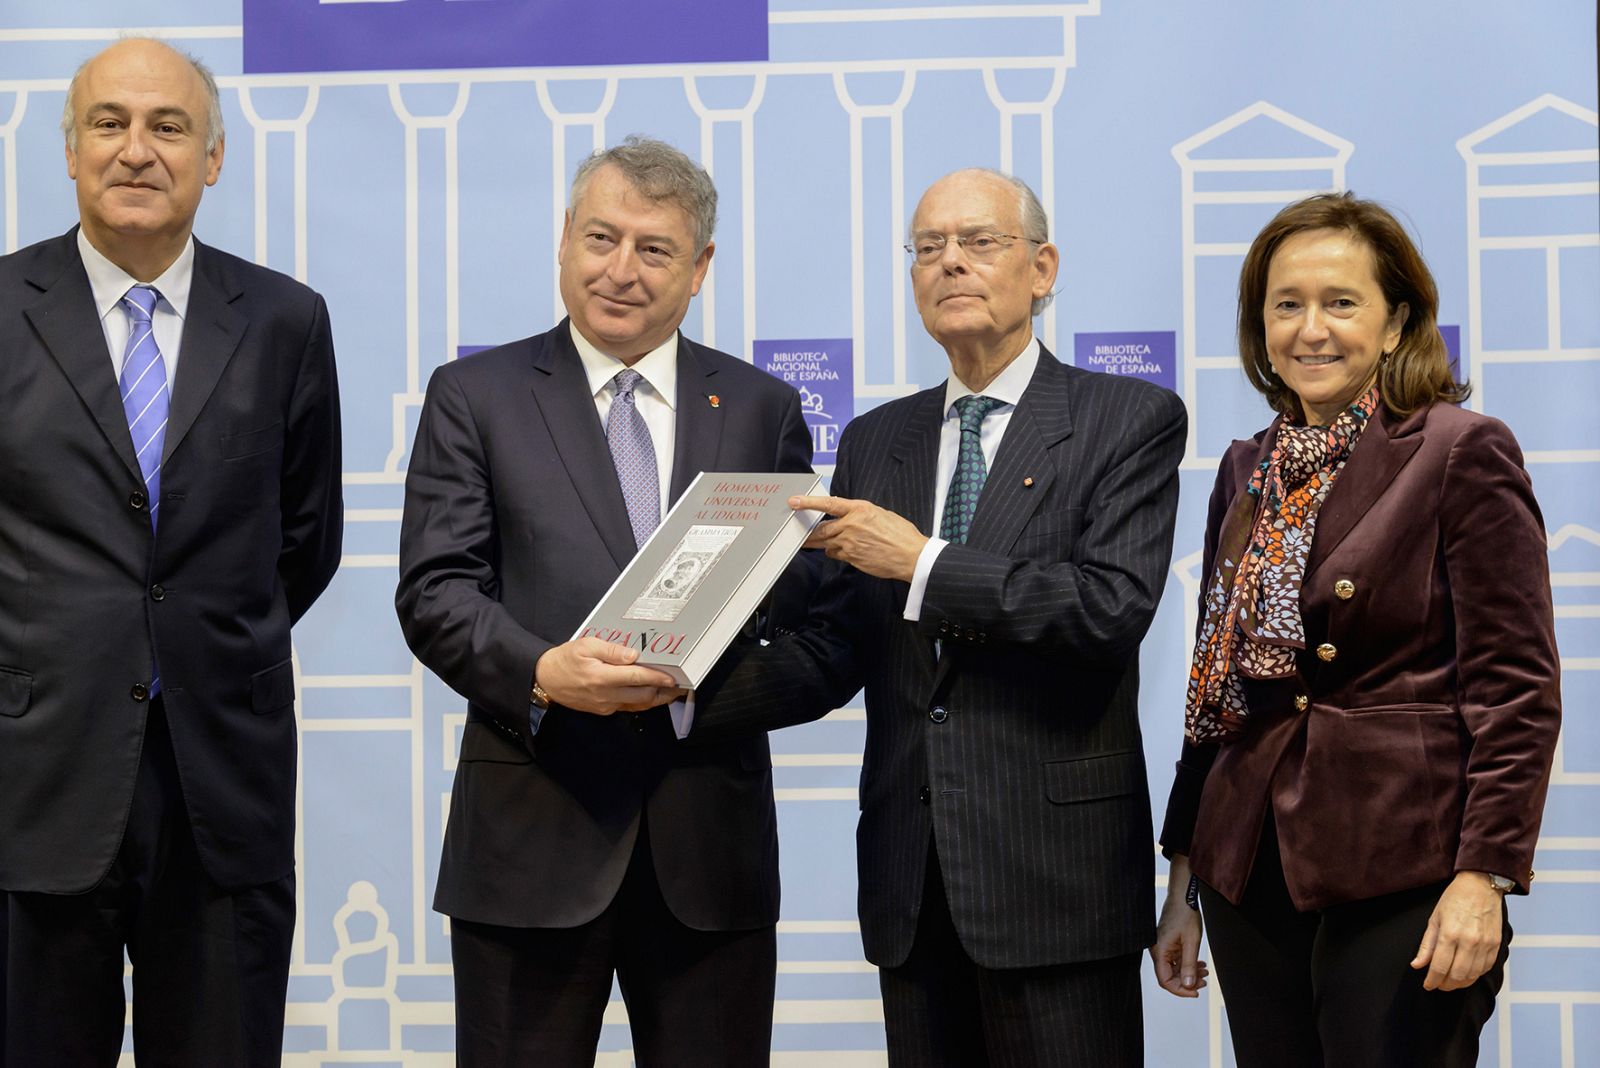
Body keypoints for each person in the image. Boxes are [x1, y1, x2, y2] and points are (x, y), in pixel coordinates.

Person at [692, 168, 1188, 1066]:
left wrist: (921, 562)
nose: (949, 262)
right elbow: (839, 644)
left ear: (1042, 269)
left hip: (1058, 883)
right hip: (912, 882)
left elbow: (1106, 610)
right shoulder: (881, 439)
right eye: (928, 248)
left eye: (979, 242)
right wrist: (677, 687)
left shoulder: (1128, 418)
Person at [395, 136, 815, 1065]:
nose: (620, 270)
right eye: (600, 238)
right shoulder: (477, 395)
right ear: (563, 243)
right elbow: (435, 591)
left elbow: (806, 626)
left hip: (710, 852)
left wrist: (699, 691)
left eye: (655, 249)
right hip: (529, 847)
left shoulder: (761, 409)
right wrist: (543, 672)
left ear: (700, 267)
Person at [1151, 192, 1561, 1067]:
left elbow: (1515, 690)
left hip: (1403, 867)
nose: (1311, 329)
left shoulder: (1459, 450)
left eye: (1341, 302)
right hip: (1247, 867)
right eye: (1285, 304)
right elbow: (1214, 689)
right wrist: (1186, 875)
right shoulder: (1244, 468)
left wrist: (1485, 875)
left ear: (1396, 320)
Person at [0, 37, 343, 1066]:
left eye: (167, 126)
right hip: (34, 782)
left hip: (221, 786)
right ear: (69, 151)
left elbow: (306, 539)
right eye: (109, 123)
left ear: (215, 156)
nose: (136, 150)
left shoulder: (285, 321)